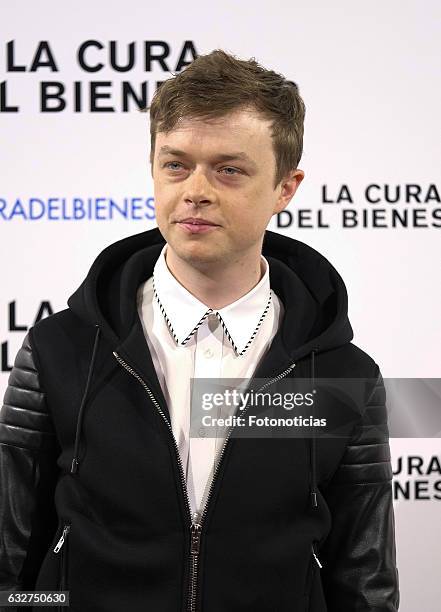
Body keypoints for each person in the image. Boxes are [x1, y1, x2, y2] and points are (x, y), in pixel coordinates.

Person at [0, 49, 399, 611]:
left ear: (286, 188)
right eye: (176, 164)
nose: (196, 190)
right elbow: (10, 558)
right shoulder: (59, 349)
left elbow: (364, 579)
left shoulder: (340, 374)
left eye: (229, 169)